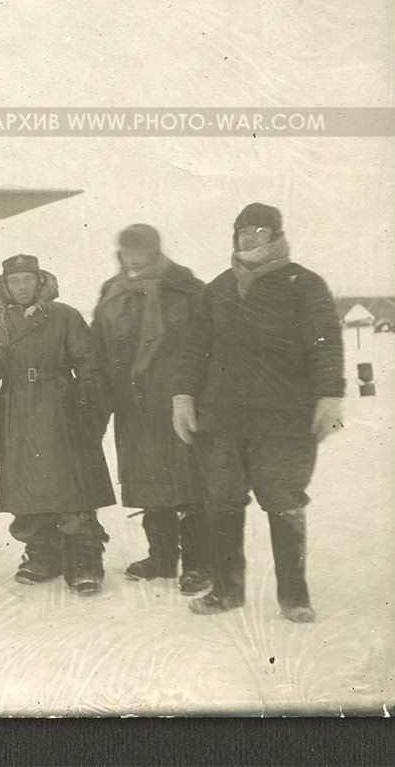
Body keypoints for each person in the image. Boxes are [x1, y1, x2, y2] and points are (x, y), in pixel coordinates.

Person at [172, 203, 344, 622]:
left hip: (284, 418)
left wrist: (330, 396)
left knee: (284, 500)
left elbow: (325, 342)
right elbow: (195, 347)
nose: (250, 239)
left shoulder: (303, 283)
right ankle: (226, 591)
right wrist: (183, 395)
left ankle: (294, 597)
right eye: (243, 232)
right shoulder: (218, 288)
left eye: (260, 231)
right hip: (221, 418)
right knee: (222, 501)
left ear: (277, 235)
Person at [0, 254, 116, 595]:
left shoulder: (65, 316)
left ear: (39, 281)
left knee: (72, 487)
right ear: (5, 286)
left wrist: (89, 413)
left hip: (61, 408)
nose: (22, 286)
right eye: (15, 281)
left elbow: (89, 366)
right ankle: (41, 555)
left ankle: (84, 561)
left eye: (28, 279)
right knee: (27, 488)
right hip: (15, 410)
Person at [91, 225, 211, 595]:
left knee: (189, 483)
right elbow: (98, 344)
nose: (134, 260)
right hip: (132, 402)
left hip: (175, 398)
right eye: (128, 253)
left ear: (155, 253)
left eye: (141, 253)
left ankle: (198, 565)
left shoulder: (187, 289)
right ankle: (161, 557)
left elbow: (206, 343)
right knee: (148, 481)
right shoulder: (112, 294)